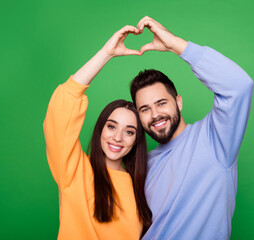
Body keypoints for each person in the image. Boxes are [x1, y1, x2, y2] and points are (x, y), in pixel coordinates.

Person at [130, 16, 254, 239]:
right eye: (145, 109)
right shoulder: (142, 163)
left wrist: (175, 45)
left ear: (178, 102)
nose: (155, 114)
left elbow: (239, 86)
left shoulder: (215, 139)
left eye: (161, 103)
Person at [43, 25, 152, 239]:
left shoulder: (141, 185)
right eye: (111, 126)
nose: (117, 137)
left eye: (129, 132)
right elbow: (61, 108)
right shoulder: (74, 170)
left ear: (136, 141)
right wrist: (106, 54)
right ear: (100, 129)